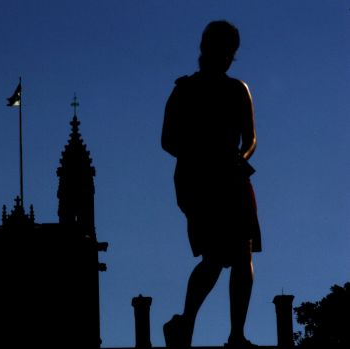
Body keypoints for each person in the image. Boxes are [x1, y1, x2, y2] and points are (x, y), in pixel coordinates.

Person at [161, 20, 262, 348]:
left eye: (230, 51)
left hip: (232, 177)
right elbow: (168, 140)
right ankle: (186, 323)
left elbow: (251, 138)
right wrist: (203, 155)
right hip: (200, 181)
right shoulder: (185, 90)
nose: (226, 56)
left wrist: (238, 157)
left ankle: (235, 334)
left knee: (242, 251)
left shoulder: (237, 90)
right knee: (216, 257)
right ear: (207, 49)